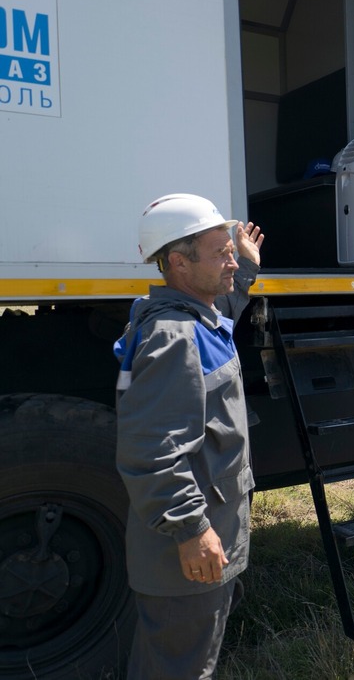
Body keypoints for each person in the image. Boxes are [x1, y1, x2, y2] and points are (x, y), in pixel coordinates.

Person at [114, 193, 264, 678]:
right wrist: (192, 529)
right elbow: (152, 450)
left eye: (231, 250)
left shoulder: (196, 319)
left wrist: (244, 270)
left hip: (203, 539)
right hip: (188, 556)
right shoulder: (174, 337)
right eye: (221, 253)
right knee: (178, 667)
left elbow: (224, 313)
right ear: (179, 263)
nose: (231, 259)